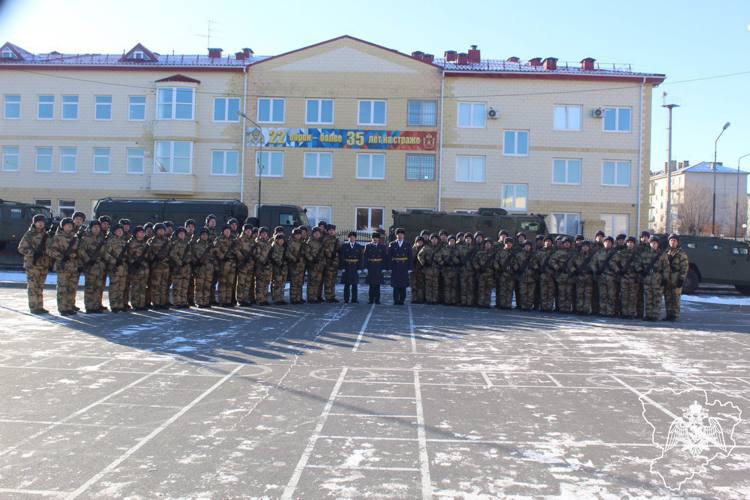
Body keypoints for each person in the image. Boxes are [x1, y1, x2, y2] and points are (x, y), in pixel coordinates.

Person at [18, 214, 51, 314]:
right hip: (33, 264)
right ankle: (34, 307)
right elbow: (21, 248)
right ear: (34, 223)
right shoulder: (29, 235)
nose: (40, 224)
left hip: (43, 264)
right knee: (33, 286)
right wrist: (33, 253)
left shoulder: (46, 235)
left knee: (40, 286)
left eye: (42, 222)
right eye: (38, 222)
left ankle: (39, 306)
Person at [47, 217, 80, 316]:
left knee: (71, 288)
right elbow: (50, 250)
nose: (69, 226)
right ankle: (62, 308)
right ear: (63, 226)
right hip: (63, 265)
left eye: (71, 224)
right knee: (62, 288)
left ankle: (69, 307)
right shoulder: (58, 238)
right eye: (67, 225)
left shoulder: (75, 238)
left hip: (73, 266)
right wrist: (61, 256)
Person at [635, 235, 669, 321]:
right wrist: (641, 271)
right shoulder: (645, 254)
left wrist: (665, 279)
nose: (653, 244)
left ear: (658, 244)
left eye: (655, 243)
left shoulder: (662, 255)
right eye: (651, 243)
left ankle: (655, 315)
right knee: (648, 297)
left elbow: (666, 268)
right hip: (647, 278)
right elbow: (637, 263)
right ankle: (648, 314)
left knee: (657, 298)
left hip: (657, 278)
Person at [78, 219, 108, 313]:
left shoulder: (101, 238)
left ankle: (96, 306)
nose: (96, 228)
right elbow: (81, 250)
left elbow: (104, 251)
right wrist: (88, 259)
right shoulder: (86, 238)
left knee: (98, 287)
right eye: (94, 227)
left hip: (99, 266)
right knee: (90, 288)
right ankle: (89, 307)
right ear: (90, 228)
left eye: (98, 227)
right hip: (90, 266)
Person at [611, 236, 639, 319]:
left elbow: (643, 263)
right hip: (624, 277)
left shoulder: (638, 254)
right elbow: (612, 262)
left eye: (631, 243)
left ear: (634, 244)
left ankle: (631, 313)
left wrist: (639, 270)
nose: (630, 244)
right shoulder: (621, 253)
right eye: (628, 243)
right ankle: (624, 312)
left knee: (633, 296)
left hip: (634, 277)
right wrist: (618, 270)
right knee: (624, 295)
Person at [104, 223, 129, 313]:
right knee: (114, 287)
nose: (120, 232)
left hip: (123, 267)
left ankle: (120, 304)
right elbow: (106, 253)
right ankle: (114, 305)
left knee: (121, 287)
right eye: (118, 230)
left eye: (121, 230)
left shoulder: (124, 242)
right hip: (115, 267)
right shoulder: (111, 241)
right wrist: (114, 261)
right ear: (114, 232)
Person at [591, 236, 618, 317]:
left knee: (611, 295)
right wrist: (596, 271)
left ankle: (610, 312)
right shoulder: (599, 253)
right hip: (601, 277)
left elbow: (620, 264)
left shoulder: (616, 253)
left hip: (612, 277)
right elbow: (593, 262)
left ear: (612, 244)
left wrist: (616, 271)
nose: (607, 243)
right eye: (606, 242)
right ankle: (602, 311)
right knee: (602, 295)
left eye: (609, 242)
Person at [147, 223, 172, 310]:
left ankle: (162, 302)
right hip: (156, 266)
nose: (161, 231)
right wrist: (154, 258)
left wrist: (167, 259)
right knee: (155, 286)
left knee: (164, 285)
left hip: (165, 266)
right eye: (159, 230)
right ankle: (156, 303)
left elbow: (171, 253)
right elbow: (148, 253)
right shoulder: (152, 241)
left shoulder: (168, 242)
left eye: (163, 230)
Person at [664, 234, 689, 322]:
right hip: (668, 277)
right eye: (671, 240)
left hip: (676, 277)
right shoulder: (666, 252)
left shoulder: (681, 253)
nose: (673, 242)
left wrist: (681, 279)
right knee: (668, 297)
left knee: (675, 297)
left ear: (677, 242)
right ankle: (668, 314)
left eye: (674, 240)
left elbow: (685, 267)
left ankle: (675, 315)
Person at [214, 224, 239, 307]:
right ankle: (222, 300)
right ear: (223, 231)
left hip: (232, 264)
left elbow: (237, 249)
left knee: (230, 283)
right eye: (226, 230)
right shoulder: (219, 239)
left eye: (229, 230)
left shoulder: (233, 239)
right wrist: (222, 257)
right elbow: (216, 250)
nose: (228, 232)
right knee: (223, 283)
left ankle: (228, 300)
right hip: (224, 264)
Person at [169, 227, 194, 309]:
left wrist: (186, 261)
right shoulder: (176, 244)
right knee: (177, 286)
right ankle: (177, 302)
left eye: (183, 233)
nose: (182, 235)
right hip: (178, 268)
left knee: (184, 285)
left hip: (186, 268)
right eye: (180, 233)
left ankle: (183, 301)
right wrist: (180, 262)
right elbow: (173, 254)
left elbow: (190, 255)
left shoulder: (187, 244)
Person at [569, 240, 595, 316]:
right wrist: (574, 271)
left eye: (587, 246)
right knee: (579, 294)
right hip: (579, 277)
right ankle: (579, 309)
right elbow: (569, 263)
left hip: (589, 277)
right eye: (584, 246)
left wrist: (593, 271)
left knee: (588, 294)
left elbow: (596, 264)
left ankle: (586, 310)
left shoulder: (592, 256)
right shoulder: (577, 255)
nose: (585, 247)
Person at [127, 226, 150, 311]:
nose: (142, 234)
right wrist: (134, 262)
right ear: (136, 234)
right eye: (140, 232)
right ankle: (135, 304)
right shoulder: (131, 243)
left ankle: (142, 303)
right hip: (136, 269)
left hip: (144, 269)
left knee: (143, 287)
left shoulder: (145, 244)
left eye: (143, 232)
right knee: (136, 287)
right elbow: (128, 255)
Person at [550, 237, 575, 313]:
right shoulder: (558, 252)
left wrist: (573, 270)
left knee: (569, 293)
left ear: (570, 244)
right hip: (561, 276)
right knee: (561, 293)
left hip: (570, 276)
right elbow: (551, 260)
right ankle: (561, 308)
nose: (566, 244)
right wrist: (558, 268)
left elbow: (578, 262)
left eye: (568, 243)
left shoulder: (573, 253)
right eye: (565, 243)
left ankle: (567, 309)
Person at [191, 228, 215, 308]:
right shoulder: (196, 245)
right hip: (200, 268)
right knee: (199, 286)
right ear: (200, 236)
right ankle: (199, 301)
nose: (205, 236)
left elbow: (213, 256)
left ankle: (206, 301)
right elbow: (192, 255)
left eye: (206, 235)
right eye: (203, 235)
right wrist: (197, 262)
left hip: (208, 268)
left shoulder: (210, 246)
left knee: (207, 286)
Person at [388, 228, 412, 305]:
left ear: (404, 235)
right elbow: (389, 256)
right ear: (396, 235)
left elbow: (410, 257)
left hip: (404, 266)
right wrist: (389, 267)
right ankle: (395, 299)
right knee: (396, 284)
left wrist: (410, 268)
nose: (400, 236)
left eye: (401, 234)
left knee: (403, 284)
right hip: (395, 265)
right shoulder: (392, 244)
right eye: (398, 234)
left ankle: (402, 300)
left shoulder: (407, 244)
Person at [236, 224, 257, 307]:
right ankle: (240, 299)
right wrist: (242, 258)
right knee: (241, 282)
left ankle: (245, 298)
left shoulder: (252, 241)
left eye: (250, 230)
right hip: (243, 264)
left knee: (248, 282)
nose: (248, 232)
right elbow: (236, 250)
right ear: (244, 231)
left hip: (250, 264)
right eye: (247, 230)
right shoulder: (240, 240)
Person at [534, 236, 557, 313]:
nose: (548, 242)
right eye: (546, 241)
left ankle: (549, 307)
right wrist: (538, 269)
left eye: (549, 241)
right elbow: (534, 261)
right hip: (543, 274)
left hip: (551, 274)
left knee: (550, 292)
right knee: (543, 292)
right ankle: (543, 307)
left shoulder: (554, 252)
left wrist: (555, 268)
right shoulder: (540, 252)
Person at [303, 227, 326, 303]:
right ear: (313, 234)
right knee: (312, 281)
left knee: (317, 282)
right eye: (315, 233)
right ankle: (310, 298)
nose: (317, 234)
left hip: (320, 265)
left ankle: (315, 297)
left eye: (318, 233)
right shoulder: (310, 242)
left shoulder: (321, 242)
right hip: (312, 264)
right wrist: (312, 259)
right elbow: (306, 253)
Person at [340, 231, 363, 304]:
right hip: (347, 266)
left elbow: (360, 258)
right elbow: (342, 257)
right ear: (348, 238)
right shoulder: (344, 246)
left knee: (354, 284)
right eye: (350, 237)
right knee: (347, 284)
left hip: (355, 266)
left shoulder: (358, 246)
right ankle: (346, 299)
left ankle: (354, 299)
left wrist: (360, 268)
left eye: (353, 237)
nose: (352, 238)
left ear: (355, 238)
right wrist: (342, 267)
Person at [363, 232, 387, 304]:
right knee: (371, 284)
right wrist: (365, 267)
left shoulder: (382, 246)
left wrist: (384, 267)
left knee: (377, 284)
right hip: (371, 266)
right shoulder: (368, 246)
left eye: (376, 238)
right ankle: (371, 299)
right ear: (372, 238)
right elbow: (365, 257)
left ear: (378, 239)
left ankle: (377, 299)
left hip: (379, 266)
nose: (375, 239)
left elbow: (384, 258)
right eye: (374, 238)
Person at [514, 240, 537, 311]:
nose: (527, 247)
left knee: (531, 293)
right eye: (526, 245)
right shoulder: (519, 255)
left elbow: (536, 264)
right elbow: (515, 263)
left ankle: (529, 306)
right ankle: (523, 306)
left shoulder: (533, 255)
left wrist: (536, 269)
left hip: (531, 276)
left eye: (528, 246)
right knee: (522, 292)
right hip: (522, 276)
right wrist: (517, 269)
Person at [252, 227, 273, 306]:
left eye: (265, 233)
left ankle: (265, 299)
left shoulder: (268, 244)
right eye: (263, 233)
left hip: (268, 267)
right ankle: (259, 299)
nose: (264, 234)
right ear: (260, 234)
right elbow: (256, 254)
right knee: (260, 283)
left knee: (266, 284)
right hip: (260, 266)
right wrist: (263, 261)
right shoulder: (257, 243)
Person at [418, 234, 441, 304]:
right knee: (428, 286)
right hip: (428, 270)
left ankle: (434, 300)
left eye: (435, 239)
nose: (434, 240)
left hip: (436, 270)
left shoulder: (440, 248)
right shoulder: (426, 247)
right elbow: (420, 255)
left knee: (435, 286)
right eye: (433, 239)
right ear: (430, 240)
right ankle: (429, 299)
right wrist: (424, 263)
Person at [286, 228, 307, 305]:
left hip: (301, 265)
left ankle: (298, 298)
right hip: (294, 265)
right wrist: (294, 259)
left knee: (300, 282)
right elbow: (288, 253)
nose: (298, 236)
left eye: (299, 234)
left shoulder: (302, 242)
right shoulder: (291, 242)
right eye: (296, 234)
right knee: (294, 282)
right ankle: (293, 298)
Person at [473, 238, 496, 308]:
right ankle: (481, 303)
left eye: (489, 243)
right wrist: (478, 268)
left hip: (490, 274)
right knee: (481, 289)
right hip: (482, 274)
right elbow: (474, 261)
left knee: (488, 290)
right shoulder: (479, 253)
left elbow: (496, 262)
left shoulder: (493, 254)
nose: (488, 245)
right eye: (486, 243)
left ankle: (487, 303)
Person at [494, 237, 515, 310]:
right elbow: (495, 261)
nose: (508, 245)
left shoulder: (514, 253)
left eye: (510, 243)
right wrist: (498, 269)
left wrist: (514, 268)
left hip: (511, 274)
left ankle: (508, 305)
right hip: (502, 273)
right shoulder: (500, 252)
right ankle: (502, 304)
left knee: (510, 290)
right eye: (507, 243)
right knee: (502, 289)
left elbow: (517, 262)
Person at [457, 233, 478, 307]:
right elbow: (454, 256)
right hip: (463, 270)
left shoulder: (475, 248)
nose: (468, 239)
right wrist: (459, 262)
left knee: (471, 287)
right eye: (467, 238)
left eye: (469, 238)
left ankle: (469, 303)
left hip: (471, 271)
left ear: (472, 240)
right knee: (463, 287)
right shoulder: (460, 248)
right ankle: (463, 302)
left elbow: (477, 258)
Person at [322, 224, 340, 303]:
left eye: (332, 230)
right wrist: (330, 255)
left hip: (335, 263)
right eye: (330, 230)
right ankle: (328, 296)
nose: (331, 231)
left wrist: (336, 256)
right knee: (328, 280)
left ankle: (332, 295)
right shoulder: (325, 239)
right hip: (328, 262)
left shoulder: (336, 239)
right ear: (327, 231)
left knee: (333, 280)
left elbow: (339, 250)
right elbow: (325, 249)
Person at [270, 233, 288, 305]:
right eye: (279, 240)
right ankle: (277, 298)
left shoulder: (284, 248)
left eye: (282, 240)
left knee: (282, 284)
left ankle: (281, 298)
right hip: (277, 268)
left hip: (284, 268)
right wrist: (280, 263)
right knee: (277, 283)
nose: (281, 241)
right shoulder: (274, 247)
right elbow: (273, 256)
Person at [410, 236, 426, 304]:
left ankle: (420, 299)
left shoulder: (425, 249)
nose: (420, 243)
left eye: (421, 242)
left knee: (421, 285)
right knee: (413, 285)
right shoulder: (412, 249)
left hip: (421, 270)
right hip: (413, 270)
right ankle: (414, 298)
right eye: (418, 242)